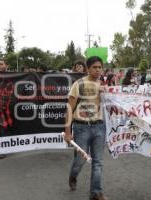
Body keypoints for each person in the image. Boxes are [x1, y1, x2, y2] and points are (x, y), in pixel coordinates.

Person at [64, 56, 108, 200]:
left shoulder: (104, 85)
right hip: (81, 128)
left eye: (100, 67)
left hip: (99, 127)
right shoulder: (79, 84)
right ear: (88, 68)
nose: (98, 70)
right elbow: (69, 108)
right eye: (94, 67)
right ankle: (73, 176)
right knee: (80, 161)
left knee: (98, 162)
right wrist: (68, 132)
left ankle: (95, 193)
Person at [0, 59, 9, 159]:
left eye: (1, 64)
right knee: (2, 127)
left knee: (10, 127)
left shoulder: (13, 77)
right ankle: (3, 150)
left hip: (11, 107)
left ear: (6, 66)